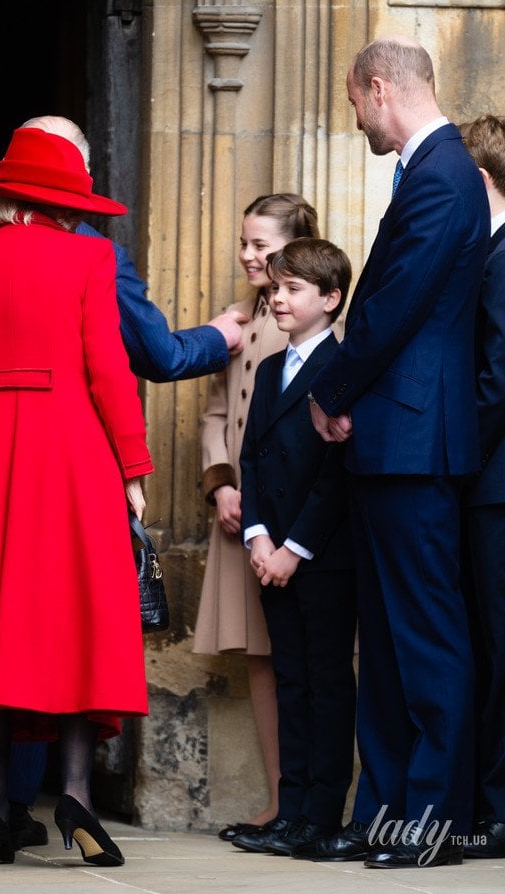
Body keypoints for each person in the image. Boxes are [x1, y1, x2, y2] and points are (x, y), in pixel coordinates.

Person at [0, 116, 246, 847]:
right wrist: (133, 470)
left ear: (4, 194)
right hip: (74, 454)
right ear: (66, 198)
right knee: (79, 619)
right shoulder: (89, 262)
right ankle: (79, 796)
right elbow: (110, 374)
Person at [294, 36, 490, 869]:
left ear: (379, 90)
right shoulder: (433, 171)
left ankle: (435, 818)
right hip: (392, 436)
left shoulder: (443, 173)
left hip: (415, 439)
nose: (357, 120)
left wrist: (328, 391)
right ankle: (384, 813)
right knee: (384, 638)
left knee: (425, 635)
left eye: (353, 104)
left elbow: (394, 306)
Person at [192, 194, 321, 840]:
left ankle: (295, 801)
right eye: (243, 244)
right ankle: (279, 800)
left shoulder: (307, 324)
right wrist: (220, 487)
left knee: (294, 657)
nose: (247, 256)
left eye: (261, 246)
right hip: (238, 519)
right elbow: (216, 414)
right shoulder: (236, 319)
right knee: (262, 660)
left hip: (284, 522)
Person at [233, 237, 356, 857]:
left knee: (326, 679)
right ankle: (292, 805)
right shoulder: (267, 365)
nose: (277, 298)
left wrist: (294, 547)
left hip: (320, 556)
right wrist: (257, 535)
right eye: (275, 288)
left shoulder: (340, 367)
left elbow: (335, 475)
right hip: (269, 550)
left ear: (331, 299)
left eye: (293, 289)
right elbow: (251, 458)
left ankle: (322, 813)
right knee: (290, 680)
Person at [457, 114, 505, 860]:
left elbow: (496, 380)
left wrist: (452, 455)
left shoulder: (500, 257)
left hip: (493, 482)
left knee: (497, 647)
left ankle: (495, 806)